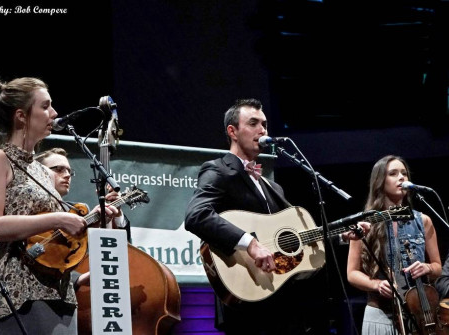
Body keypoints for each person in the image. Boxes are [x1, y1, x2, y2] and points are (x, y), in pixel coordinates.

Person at [184, 98, 369, 334]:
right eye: (253, 123)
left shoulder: (273, 187)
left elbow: (296, 239)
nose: (262, 130)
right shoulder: (218, 170)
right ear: (232, 131)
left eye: (265, 124)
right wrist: (250, 243)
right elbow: (195, 215)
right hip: (244, 300)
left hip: (281, 301)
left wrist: (341, 236)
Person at [0, 77, 87, 334]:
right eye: (45, 106)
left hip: (58, 289)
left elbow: (51, 232)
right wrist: (58, 219)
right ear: (21, 116)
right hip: (16, 294)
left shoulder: (42, 171)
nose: (54, 113)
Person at [347, 155, 442, 334]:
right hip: (380, 314)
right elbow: (352, 273)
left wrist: (427, 268)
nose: (401, 178)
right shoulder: (365, 224)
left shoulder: (424, 220)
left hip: (418, 316)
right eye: (393, 173)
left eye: (404, 173)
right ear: (380, 181)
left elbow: (438, 268)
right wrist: (376, 284)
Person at [34, 147, 131, 287]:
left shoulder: (78, 211)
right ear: (37, 171)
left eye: (69, 171)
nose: (67, 175)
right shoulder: (25, 206)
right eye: (59, 169)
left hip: (65, 297)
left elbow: (116, 253)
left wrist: (116, 215)